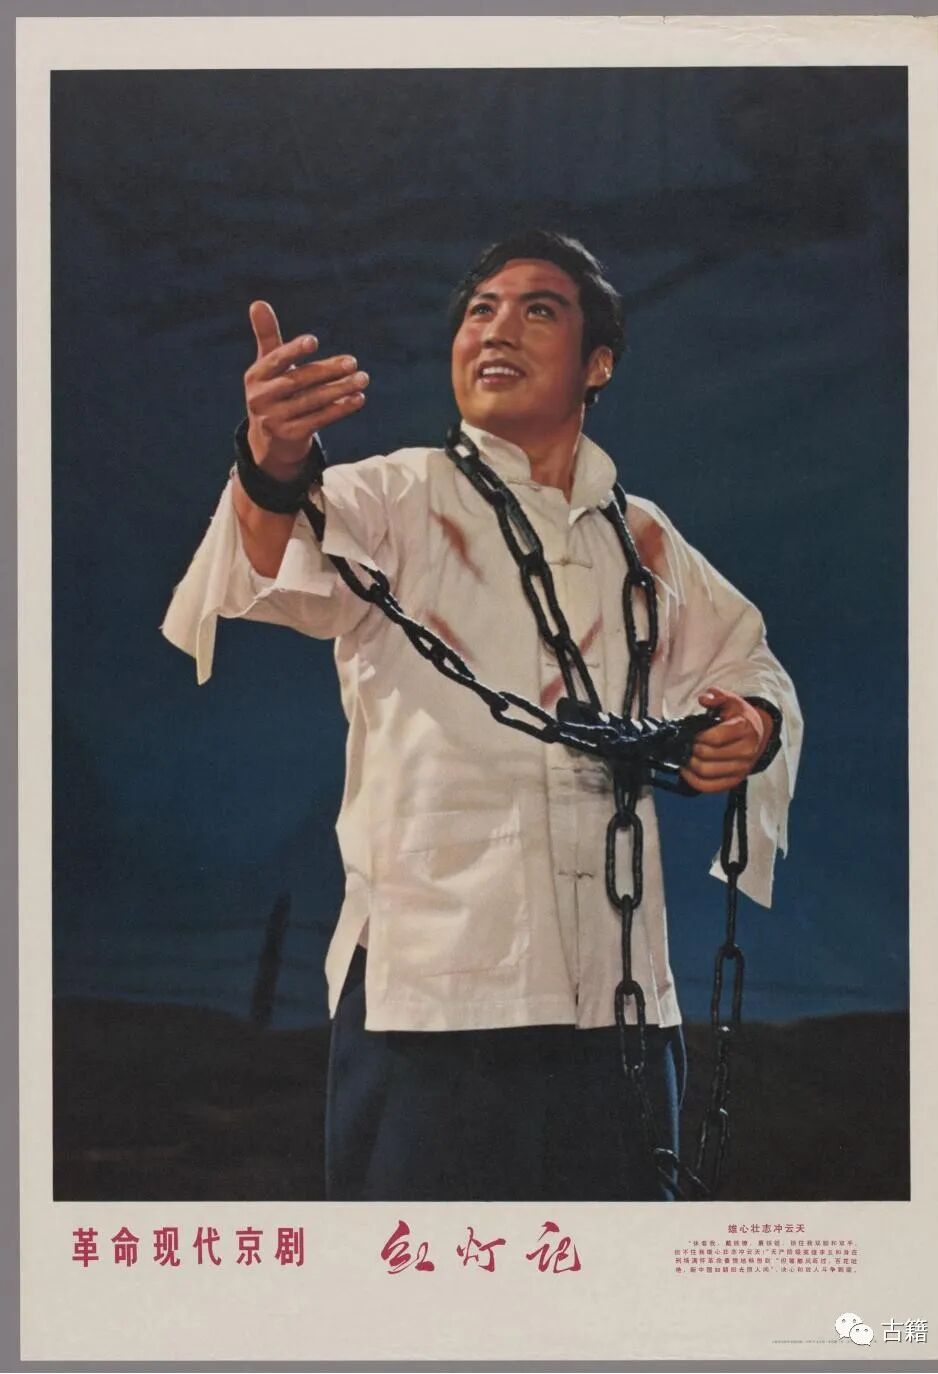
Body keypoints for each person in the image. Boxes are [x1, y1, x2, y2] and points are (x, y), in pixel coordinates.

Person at [162, 229, 802, 1202]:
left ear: (598, 364)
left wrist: (749, 726)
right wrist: (273, 457)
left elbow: (750, 662)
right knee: (425, 1284)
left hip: (619, 998)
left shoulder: (644, 540)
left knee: (618, 1286)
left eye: (537, 310)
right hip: (432, 1000)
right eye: (479, 310)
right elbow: (267, 558)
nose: (496, 329)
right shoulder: (396, 495)